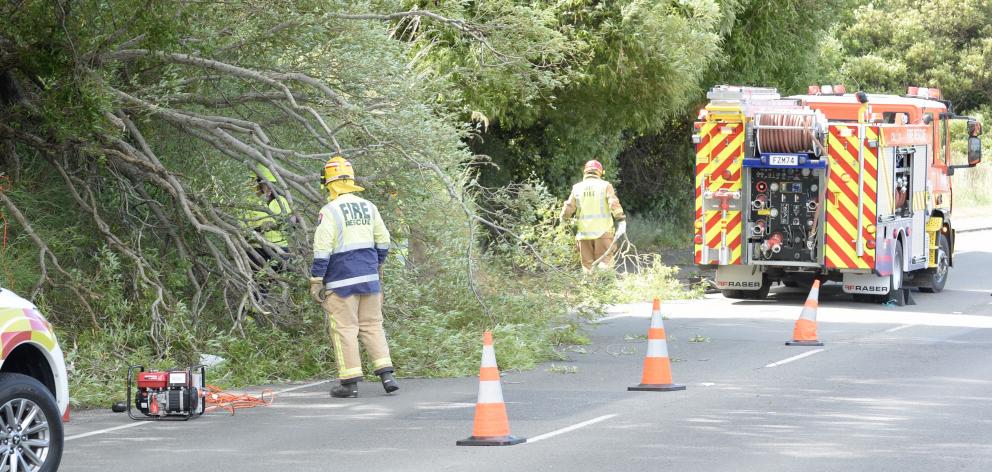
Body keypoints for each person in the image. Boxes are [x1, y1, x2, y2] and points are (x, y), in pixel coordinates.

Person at [309, 156, 398, 398]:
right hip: (369, 278)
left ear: (328, 182)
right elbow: (384, 240)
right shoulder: (369, 207)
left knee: (345, 329)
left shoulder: (329, 211)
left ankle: (349, 383)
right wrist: (377, 264)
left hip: (340, 282)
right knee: (372, 325)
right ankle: (386, 375)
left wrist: (317, 280)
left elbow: (322, 248)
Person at [559, 159, 626, 273]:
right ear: (600, 172)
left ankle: (590, 288)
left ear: (585, 172)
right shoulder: (605, 186)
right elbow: (613, 203)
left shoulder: (577, 187)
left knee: (588, 267)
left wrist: (563, 218)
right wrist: (621, 220)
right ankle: (604, 286)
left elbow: (569, 207)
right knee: (605, 263)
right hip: (603, 233)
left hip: (584, 235)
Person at [244, 165, 293, 303]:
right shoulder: (248, 202)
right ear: (257, 183)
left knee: (277, 283)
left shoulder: (281, 201)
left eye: (270, 184)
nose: (268, 188)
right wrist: (259, 229)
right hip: (257, 249)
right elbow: (243, 230)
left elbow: (289, 225)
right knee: (260, 285)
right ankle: (253, 314)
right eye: (264, 184)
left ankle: (278, 308)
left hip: (280, 250)